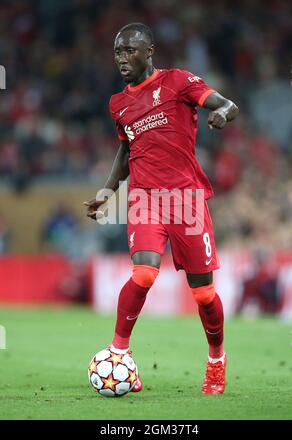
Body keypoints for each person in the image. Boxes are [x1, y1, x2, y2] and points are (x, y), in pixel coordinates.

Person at [84, 23, 239, 394]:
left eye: (130, 50)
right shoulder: (117, 104)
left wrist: (222, 115)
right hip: (145, 199)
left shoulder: (178, 81)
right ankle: (118, 353)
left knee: (203, 294)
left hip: (187, 200)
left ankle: (216, 358)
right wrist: (107, 191)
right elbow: (126, 149)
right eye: (118, 52)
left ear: (149, 50)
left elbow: (227, 104)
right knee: (144, 273)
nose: (123, 58)